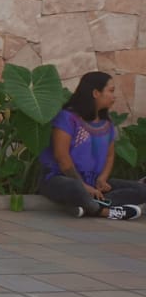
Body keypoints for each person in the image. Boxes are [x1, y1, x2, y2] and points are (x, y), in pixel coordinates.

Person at [38, 72, 146, 219]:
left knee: (141, 190)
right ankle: (107, 212)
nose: (114, 96)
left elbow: (109, 155)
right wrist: (83, 186)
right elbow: (61, 157)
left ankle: (85, 206)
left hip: (93, 183)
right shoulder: (67, 118)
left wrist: (102, 179)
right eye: (111, 91)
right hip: (60, 179)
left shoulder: (106, 123)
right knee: (76, 188)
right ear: (96, 93)